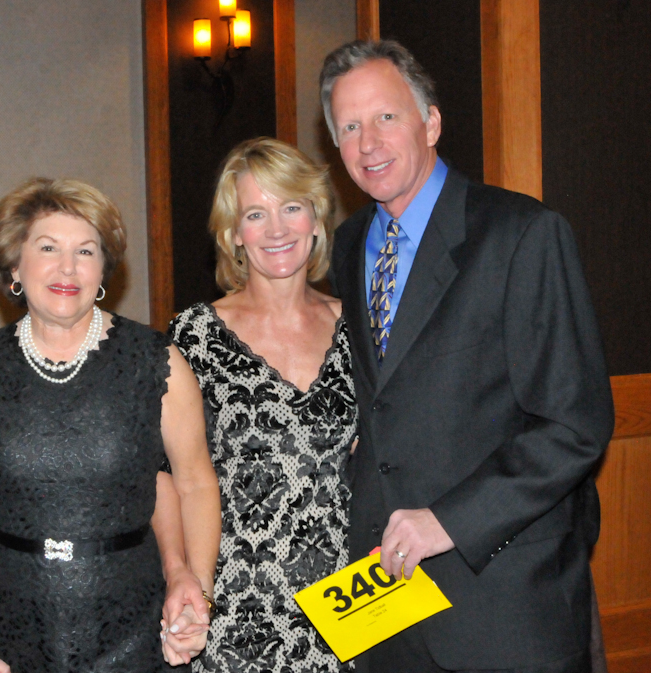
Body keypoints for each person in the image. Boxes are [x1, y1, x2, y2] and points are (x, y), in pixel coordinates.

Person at [320, 40, 614, 673]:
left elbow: (575, 424)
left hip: (505, 603)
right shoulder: (349, 248)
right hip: (389, 607)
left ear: (430, 122)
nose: (368, 142)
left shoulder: (522, 235)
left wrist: (447, 521)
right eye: (349, 126)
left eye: (386, 117)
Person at [0, 177, 221, 673]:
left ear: (103, 268)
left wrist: (195, 592)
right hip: (6, 626)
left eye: (85, 251)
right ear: (14, 265)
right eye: (48, 248)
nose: (67, 267)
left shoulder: (158, 363)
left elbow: (195, 482)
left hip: (134, 625)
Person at [169, 137, 357, 673]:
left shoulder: (361, 329)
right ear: (233, 235)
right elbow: (164, 476)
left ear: (317, 220)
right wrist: (187, 581)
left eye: (291, 207)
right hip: (232, 614)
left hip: (347, 609)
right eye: (256, 213)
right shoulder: (194, 337)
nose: (277, 229)